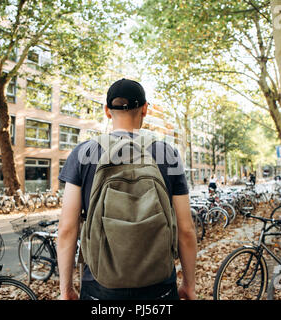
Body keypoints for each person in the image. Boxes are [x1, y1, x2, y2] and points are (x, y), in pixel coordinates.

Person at [57, 78, 197, 300]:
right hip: (159, 284)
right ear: (144, 109)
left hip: (99, 285)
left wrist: (66, 289)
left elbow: (67, 229)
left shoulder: (84, 153)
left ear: (107, 111)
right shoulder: (167, 154)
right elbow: (186, 229)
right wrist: (189, 284)